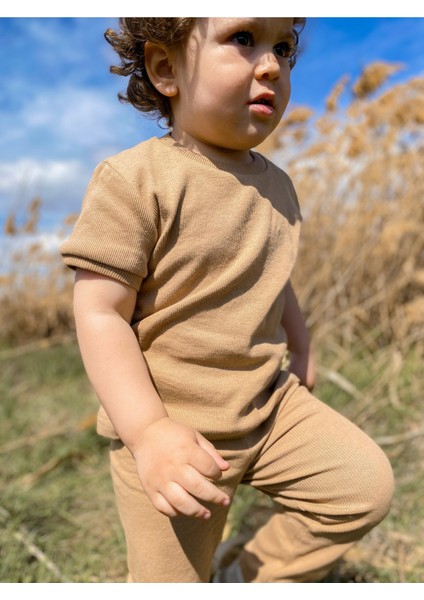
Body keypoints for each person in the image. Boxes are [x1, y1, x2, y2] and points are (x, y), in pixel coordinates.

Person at [61, 17, 394, 583]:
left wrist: (302, 341)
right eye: (243, 39)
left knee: (362, 487)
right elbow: (100, 313)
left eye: (284, 48)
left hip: (269, 406)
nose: (272, 65)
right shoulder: (136, 178)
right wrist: (147, 433)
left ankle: (245, 578)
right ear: (166, 68)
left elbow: (270, 272)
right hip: (176, 427)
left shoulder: (279, 185)